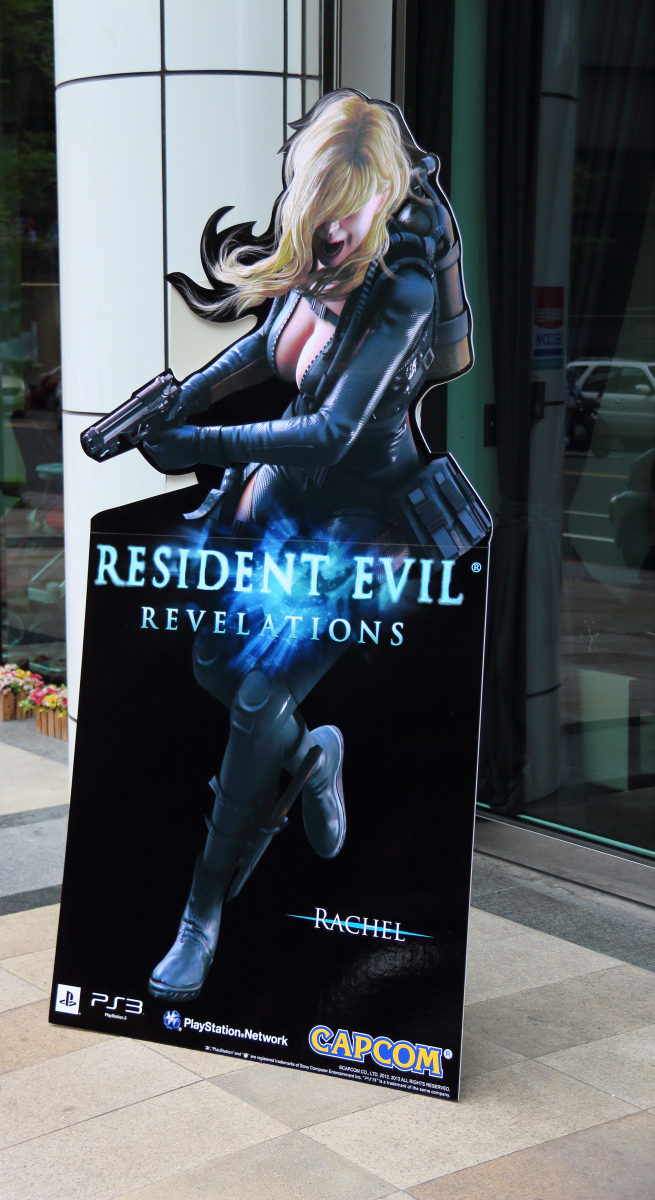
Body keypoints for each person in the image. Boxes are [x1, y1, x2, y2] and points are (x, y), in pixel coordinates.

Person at [140, 91, 451, 1002]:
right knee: (212, 664)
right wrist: (178, 401)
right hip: (280, 494)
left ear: (384, 191)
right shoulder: (317, 264)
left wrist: (197, 443)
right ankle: (315, 755)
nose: (331, 232)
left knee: (255, 696)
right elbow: (259, 355)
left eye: (348, 210)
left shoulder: (403, 289)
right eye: (318, 209)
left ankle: (201, 911)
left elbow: (330, 431)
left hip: (361, 519)